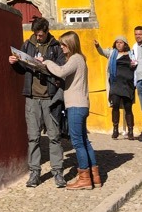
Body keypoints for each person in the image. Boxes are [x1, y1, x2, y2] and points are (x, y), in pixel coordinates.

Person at [8, 17, 66, 188]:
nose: (38, 37)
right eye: (36, 34)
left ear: (47, 31)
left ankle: (58, 172)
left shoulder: (55, 47)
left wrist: (47, 64)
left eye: (40, 35)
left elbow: (62, 69)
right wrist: (15, 62)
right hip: (32, 97)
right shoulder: (28, 45)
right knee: (33, 137)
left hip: (50, 97)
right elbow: (22, 68)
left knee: (54, 136)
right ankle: (34, 172)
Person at [39, 31, 99, 189]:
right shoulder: (80, 59)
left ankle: (85, 178)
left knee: (78, 142)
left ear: (71, 44)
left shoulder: (75, 58)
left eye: (63, 44)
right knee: (85, 141)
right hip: (82, 105)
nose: (61, 47)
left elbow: (61, 71)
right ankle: (95, 176)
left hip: (76, 106)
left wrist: (46, 62)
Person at [94, 36, 136, 140]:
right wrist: (97, 46)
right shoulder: (112, 53)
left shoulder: (132, 54)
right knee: (115, 106)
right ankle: (115, 129)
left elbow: (135, 65)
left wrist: (133, 65)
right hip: (115, 84)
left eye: (121, 42)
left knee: (128, 108)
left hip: (128, 85)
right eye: (117, 42)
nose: (119, 44)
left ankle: (130, 131)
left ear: (125, 44)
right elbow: (102, 52)